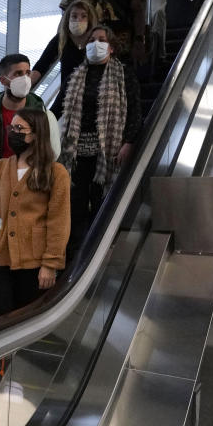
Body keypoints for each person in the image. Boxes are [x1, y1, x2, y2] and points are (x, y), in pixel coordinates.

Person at [0, 108, 70, 318]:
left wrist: (50, 264)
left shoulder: (56, 173)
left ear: (36, 134)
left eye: (20, 128)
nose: (13, 133)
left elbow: (59, 222)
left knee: (26, 319)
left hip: (34, 263)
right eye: (12, 128)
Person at [58, 26, 141, 257]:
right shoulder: (76, 76)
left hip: (107, 150)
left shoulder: (123, 74)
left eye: (102, 40)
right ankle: (75, 252)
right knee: (75, 201)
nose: (96, 43)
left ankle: (98, 249)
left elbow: (134, 111)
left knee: (100, 199)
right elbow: (58, 109)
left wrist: (129, 142)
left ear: (111, 47)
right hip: (76, 150)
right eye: (92, 40)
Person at [0, 53, 61, 199]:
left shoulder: (45, 116)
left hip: (31, 194)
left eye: (27, 73)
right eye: (18, 73)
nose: (25, 78)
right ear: (3, 80)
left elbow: (53, 155)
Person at [30, 0, 100, 104]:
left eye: (83, 16)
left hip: (93, 96)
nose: (78, 20)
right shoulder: (61, 39)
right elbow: (42, 65)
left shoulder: (97, 40)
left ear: (89, 19)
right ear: (68, 18)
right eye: (74, 16)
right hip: (67, 95)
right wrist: (25, 85)